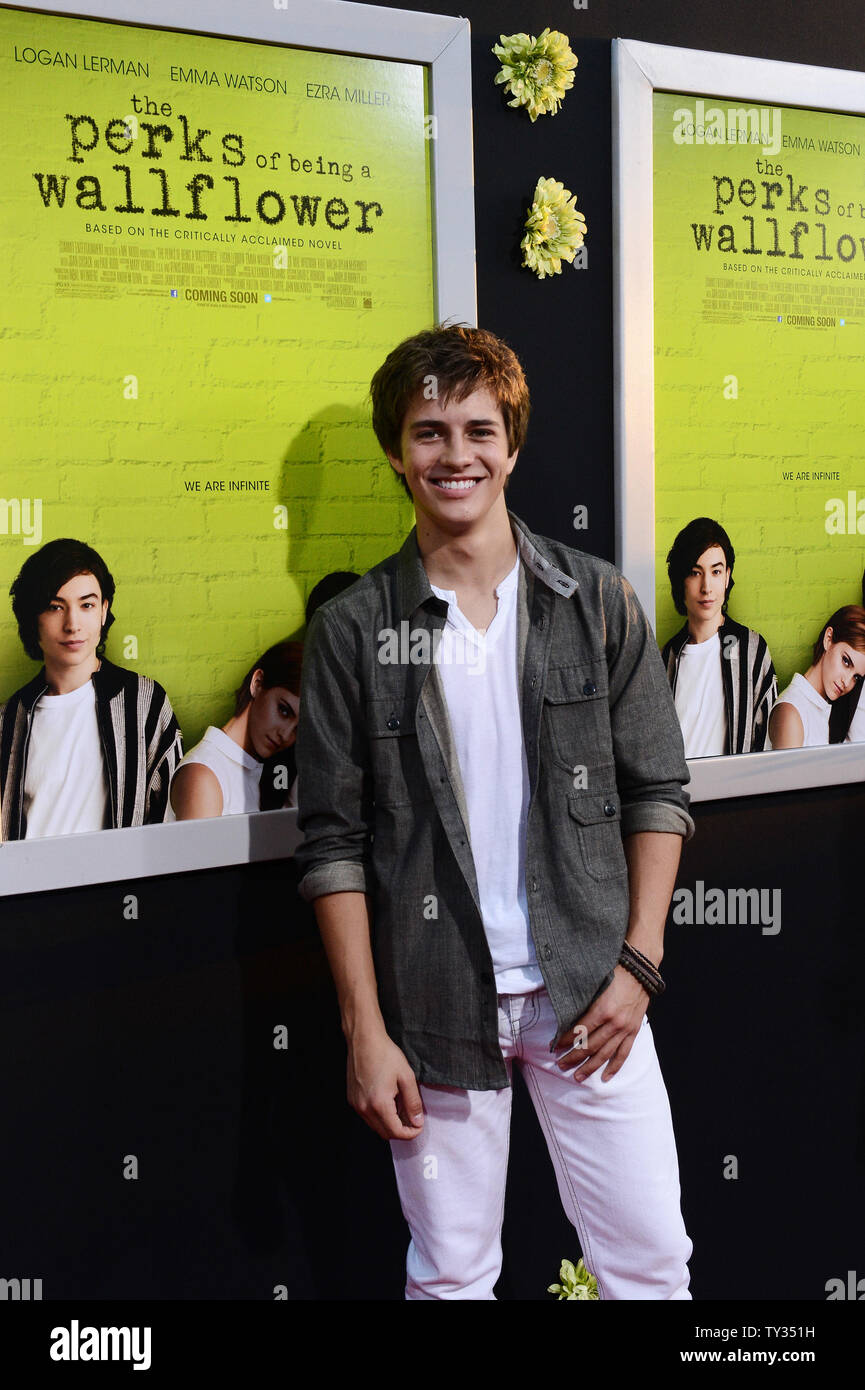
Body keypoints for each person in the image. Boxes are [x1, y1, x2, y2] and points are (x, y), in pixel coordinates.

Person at [294, 324, 694, 1300]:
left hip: (588, 992)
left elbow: (658, 791)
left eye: (478, 429)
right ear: (397, 449)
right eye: (429, 431)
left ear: (511, 444)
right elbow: (333, 845)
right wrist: (363, 1029)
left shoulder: (594, 600)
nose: (455, 454)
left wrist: (639, 961)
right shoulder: (353, 634)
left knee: (649, 1265)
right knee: (452, 1276)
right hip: (434, 1004)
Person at [0, 538, 182, 840]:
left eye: (86, 605)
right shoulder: (8, 722)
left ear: (103, 610)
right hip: (29, 885)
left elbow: (170, 823)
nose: (73, 624)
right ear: (34, 619)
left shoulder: (144, 702)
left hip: (119, 885)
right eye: (55, 607)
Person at [661, 518, 777, 756]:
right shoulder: (667, 657)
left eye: (716, 571)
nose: (706, 587)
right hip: (679, 792)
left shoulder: (752, 650)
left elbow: (767, 742)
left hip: (735, 790)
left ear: (726, 577)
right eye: (695, 572)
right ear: (681, 580)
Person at [168, 641, 302, 820]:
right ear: (257, 683)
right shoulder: (204, 776)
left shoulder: (257, 774)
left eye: (298, 729)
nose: (285, 735)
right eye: (284, 710)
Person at [768, 606, 865, 749]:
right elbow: (786, 772)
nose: (847, 681)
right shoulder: (791, 712)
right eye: (846, 661)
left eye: (856, 677)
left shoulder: (826, 712)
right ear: (828, 639)